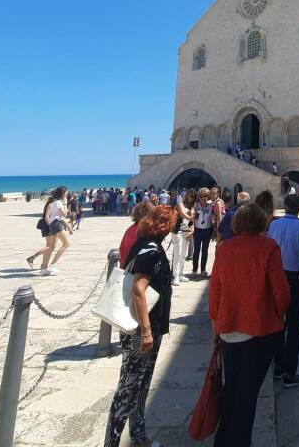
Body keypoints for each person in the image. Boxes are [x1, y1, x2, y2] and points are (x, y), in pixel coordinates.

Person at [209, 203, 290, 446]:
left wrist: (217, 322)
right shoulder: (268, 247)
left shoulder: (224, 249)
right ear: (262, 222)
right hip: (259, 331)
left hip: (228, 331)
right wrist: (278, 314)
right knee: (247, 395)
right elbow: (282, 293)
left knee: (231, 389)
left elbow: (215, 292)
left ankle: (223, 440)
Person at [104, 204, 177, 447]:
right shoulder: (151, 251)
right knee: (128, 388)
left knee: (141, 385)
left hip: (149, 329)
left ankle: (137, 436)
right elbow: (138, 289)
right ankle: (111, 443)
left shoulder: (143, 244)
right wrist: (146, 331)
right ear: (164, 227)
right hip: (141, 331)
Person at [268, 194, 299, 388]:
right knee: (295, 325)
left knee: (279, 322)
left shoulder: (274, 225)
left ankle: (279, 364)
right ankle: (290, 372)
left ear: (285, 206)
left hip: (277, 276)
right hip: (295, 279)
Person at [39, 187, 71, 276]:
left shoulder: (55, 202)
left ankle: (44, 268)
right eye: (66, 193)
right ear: (62, 193)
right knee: (67, 244)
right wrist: (65, 204)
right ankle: (52, 265)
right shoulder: (58, 202)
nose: (67, 194)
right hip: (57, 224)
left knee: (51, 246)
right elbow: (64, 214)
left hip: (54, 224)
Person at [191, 188, 215, 277]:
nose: (203, 198)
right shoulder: (196, 205)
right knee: (196, 250)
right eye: (201, 196)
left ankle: (203, 270)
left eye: (205, 196)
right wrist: (193, 215)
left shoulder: (211, 205)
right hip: (197, 230)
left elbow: (214, 215)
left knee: (205, 251)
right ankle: (194, 270)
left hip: (207, 230)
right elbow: (192, 214)